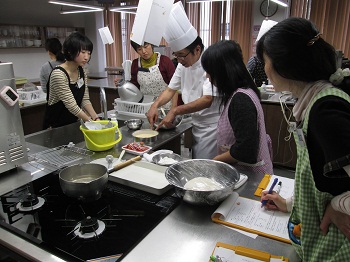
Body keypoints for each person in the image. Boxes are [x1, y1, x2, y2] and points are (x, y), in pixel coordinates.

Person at [256, 17, 350, 261]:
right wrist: (290, 204)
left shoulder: (325, 111)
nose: (264, 68)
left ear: (284, 65)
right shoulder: (315, 103)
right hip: (320, 237)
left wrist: (340, 206)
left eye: (265, 60)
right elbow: (321, 178)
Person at [147, 2, 221, 159]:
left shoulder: (212, 62)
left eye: (181, 55)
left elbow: (207, 99)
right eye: (176, 55)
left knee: (207, 168)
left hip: (212, 128)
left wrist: (175, 110)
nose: (178, 60)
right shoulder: (183, 64)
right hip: (195, 122)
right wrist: (155, 106)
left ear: (197, 50)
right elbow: (170, 90)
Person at [201, 40, 273, 176]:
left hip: (251, 176)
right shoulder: (241, 92)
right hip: (241, 173)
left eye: (210, 72)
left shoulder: (241, 100)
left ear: (223, 72)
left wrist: (214, 162)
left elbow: (245, 151)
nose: (207, 77)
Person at [43, 32, 100, 129]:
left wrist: (96, 118)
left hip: (72, 122)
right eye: (83, 52)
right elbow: (72, 106)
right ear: (70, 51)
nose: (86, 57)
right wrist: (91, 123)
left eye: (89, 53)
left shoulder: (81, 71)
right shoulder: (59, 74)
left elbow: (84, 99)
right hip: (55, 127)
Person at [129, 41, 176, 108]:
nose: (144, 51)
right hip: (145, 106)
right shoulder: (135, 64)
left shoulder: (165, 61)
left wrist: (173, 108)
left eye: (146, 47)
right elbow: (134, 86)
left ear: (151, 45)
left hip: (165, 106)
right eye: (139, 49)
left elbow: (174, 86)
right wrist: (124, 83)